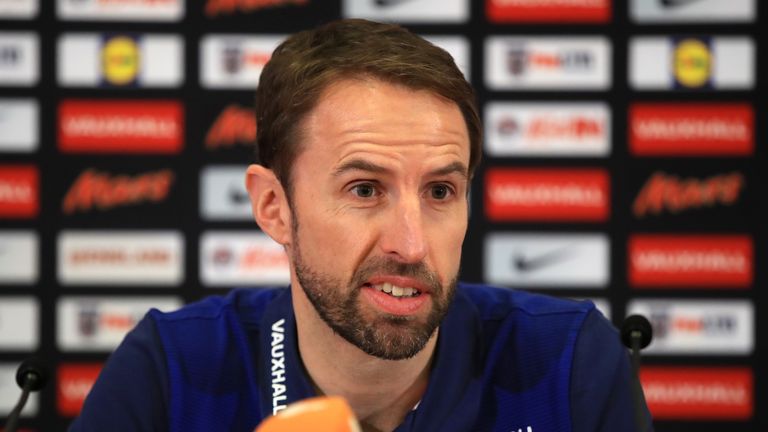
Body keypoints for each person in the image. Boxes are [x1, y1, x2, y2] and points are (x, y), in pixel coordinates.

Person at [70, 19, 652, 432]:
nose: (411, 243)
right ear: (275, 207)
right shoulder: (170, 372)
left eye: (441, 191)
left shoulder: (568, 363)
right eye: (365, 189)